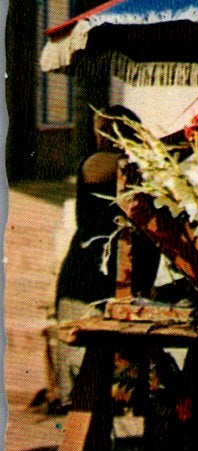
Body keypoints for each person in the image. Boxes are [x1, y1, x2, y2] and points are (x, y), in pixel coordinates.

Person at [51, 107, 159, 405]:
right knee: (83, 385)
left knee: (120, 388)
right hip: (87, 279)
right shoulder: (97, 164)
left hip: (122, 279)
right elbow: (114, 166)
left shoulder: (143, 168)